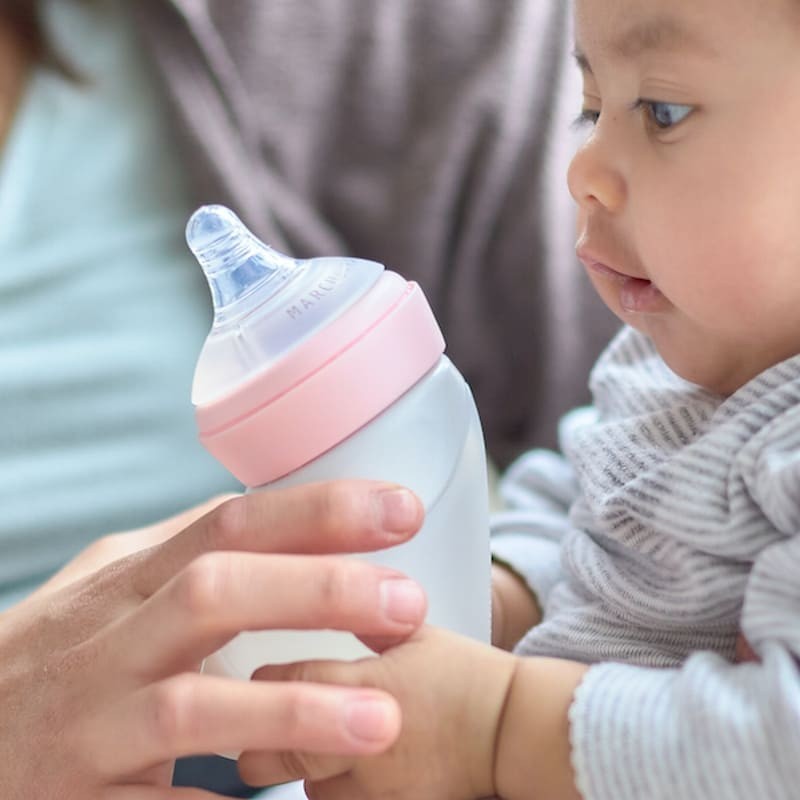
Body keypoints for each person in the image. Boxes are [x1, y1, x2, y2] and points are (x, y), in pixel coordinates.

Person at [0, 0, 617, 796]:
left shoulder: (370, 31)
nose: (597, 167)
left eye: (662, 114)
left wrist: (505, 602)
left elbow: (682, 451)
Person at [250, 1, 800, 798]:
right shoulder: (667, 356)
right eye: (590, 107)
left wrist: (494, 723)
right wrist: (486, 598)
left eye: (664, 111)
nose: (583, 169)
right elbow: (592, 509)